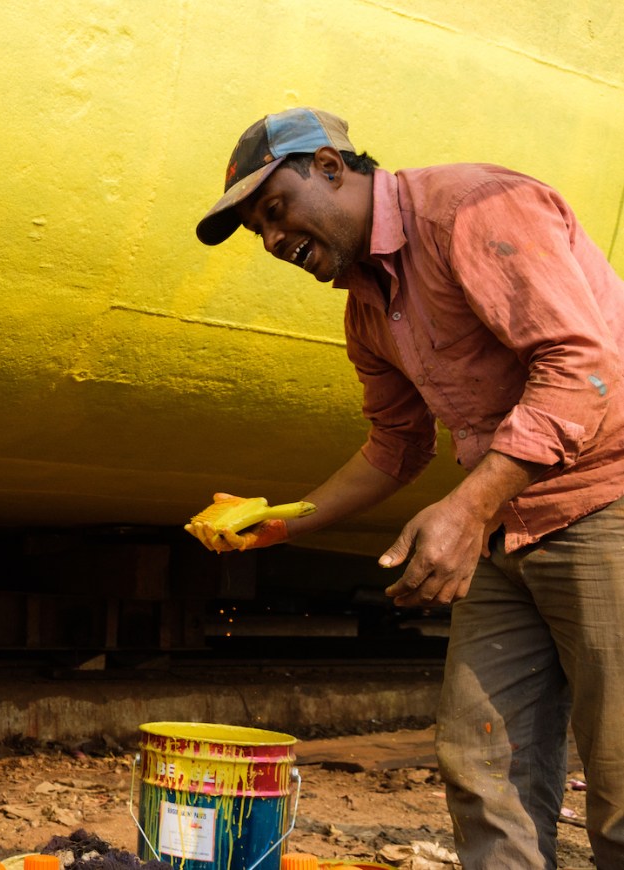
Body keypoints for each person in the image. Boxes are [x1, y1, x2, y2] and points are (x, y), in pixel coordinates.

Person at [188, 107, 624, 867]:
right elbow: (396, 445)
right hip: (504, 521)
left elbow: (583, 369)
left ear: (328, 166)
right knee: (481, 765)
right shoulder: (367, 308)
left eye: (274, 209)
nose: (271, 241)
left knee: (620, 776)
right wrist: (281, 525)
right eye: (258, 229)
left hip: (604, 503)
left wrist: (468, 506)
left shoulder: (471, 209)